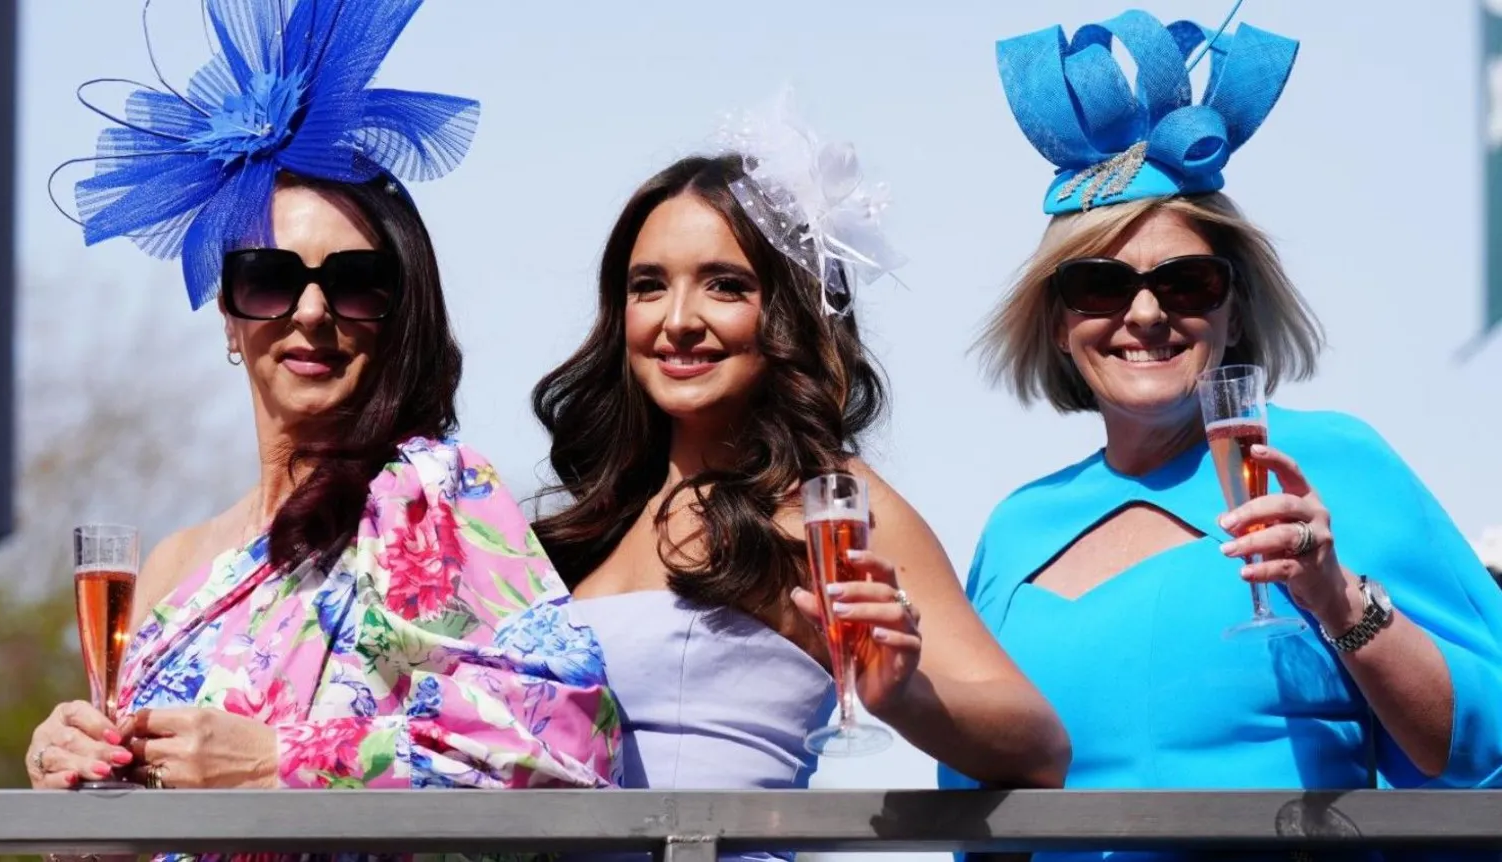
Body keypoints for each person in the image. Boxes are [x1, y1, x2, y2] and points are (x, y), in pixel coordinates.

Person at [25, 0, 617, 818]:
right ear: (231, 315)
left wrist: (277, 761)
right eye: (269, 279)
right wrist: (74, 774)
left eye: (353, 282)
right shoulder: (174, 565)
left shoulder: (430, 498)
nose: (310, 312)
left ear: (399, 311)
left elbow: (567, 748)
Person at [940, 8, 1502, 861]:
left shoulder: (1327, 462)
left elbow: (1476, 754)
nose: (1144, 313)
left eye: (1187, 281)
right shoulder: (1016, 529)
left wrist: (1337, 598)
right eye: (1097, 286)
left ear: (1233, 313)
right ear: (1057, 324)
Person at [530, 90, 1069, 818]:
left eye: (725, 286)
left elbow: (1040, 748)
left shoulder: (829, 504)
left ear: (785, 311)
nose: (678, 320)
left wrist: (902, 693)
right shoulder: (594, 518)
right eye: (648, 286)